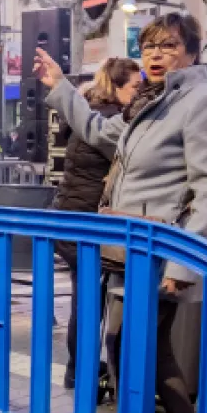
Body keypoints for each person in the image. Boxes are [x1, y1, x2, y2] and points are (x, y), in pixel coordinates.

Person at [34, 12, 207, 413]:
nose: (156, 55)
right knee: (137, 347)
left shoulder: (203, 102)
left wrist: (185, 264)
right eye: (149, 47)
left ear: (191, 52)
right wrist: (61, 85)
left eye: (168, 45)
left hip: (162, 252)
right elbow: (94, 130)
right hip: (129, 251)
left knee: (130, 345)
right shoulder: (149, 102)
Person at [51, 58, 140, 390]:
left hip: (70, 217)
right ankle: (82, 370)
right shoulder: (109, 122)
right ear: (117, 86)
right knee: (89, 301)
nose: (141, 93)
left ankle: (80, 369)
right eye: (136, 86)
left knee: (86, 298)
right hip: (86, 221)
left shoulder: (89, 112)